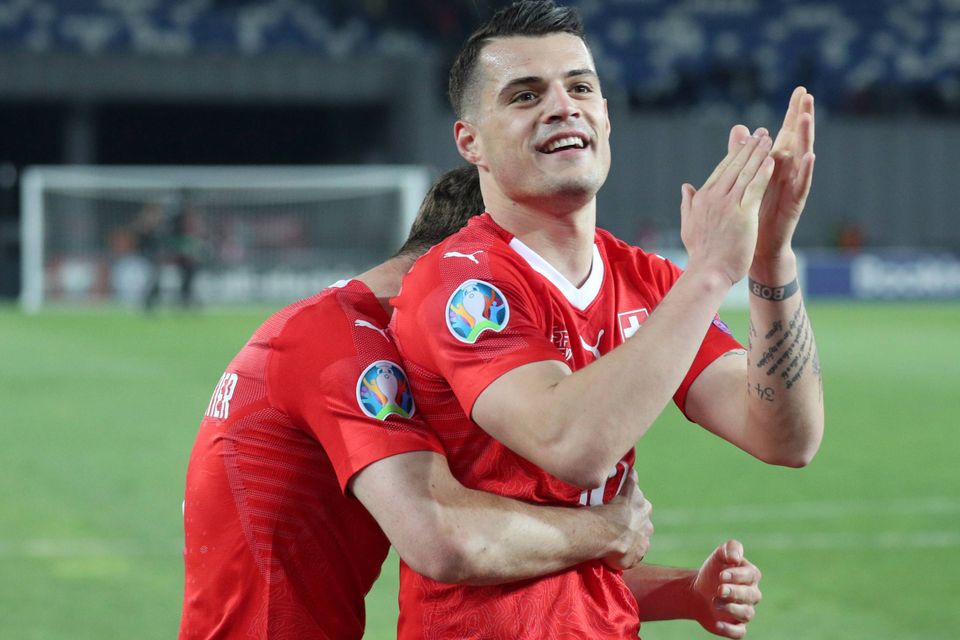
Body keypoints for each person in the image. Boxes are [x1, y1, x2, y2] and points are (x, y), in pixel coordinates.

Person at [179, 165, 761, 640]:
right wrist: (606, 529)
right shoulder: (342, 343)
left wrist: (684, 593)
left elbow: (510, 559)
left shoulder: (368, 346)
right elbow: (446, 541)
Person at [390, 1, 822, 638]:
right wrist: (708, 273)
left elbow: (784, 438)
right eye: (526, 94)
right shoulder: (459, 282)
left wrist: (770, 258)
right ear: (470, 141)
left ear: (606, 116)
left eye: (581, 87)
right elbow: (572, 446)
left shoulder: (647, 281)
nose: (562, 107)